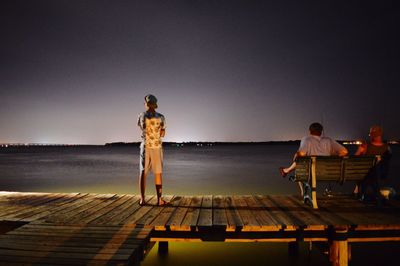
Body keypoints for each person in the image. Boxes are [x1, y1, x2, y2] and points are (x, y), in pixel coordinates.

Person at [279, 122, 348, 198]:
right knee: (301, 165)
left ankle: (302, 192)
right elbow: (344, 151)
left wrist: (297, 153)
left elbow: (301, 153)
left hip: (310, 173)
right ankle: (287, 170)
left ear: (310, 131)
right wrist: (334, 155)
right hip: (328, 173)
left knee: (299, 167)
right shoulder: (329, 140)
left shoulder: (307, 139)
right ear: (321, 131)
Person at [137, 94, 167, 206]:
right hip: (157, 146)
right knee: (158, 173)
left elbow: (140, 127)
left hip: (145, 145)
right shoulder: (161, 117)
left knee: (143, 172)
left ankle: (142, 199)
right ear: (154, 105)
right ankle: (159, 200)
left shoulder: (141, 115)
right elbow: (163, 133)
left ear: (147, 104)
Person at [353, 125, 392, 201]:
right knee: (374, 172)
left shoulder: (365, 146)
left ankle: (358, 190)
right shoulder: (387, 148)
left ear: (372, 136)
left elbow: (354, 158)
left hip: (365, 173)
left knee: (366, 171)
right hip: (381, 173)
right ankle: (374, 193)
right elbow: (388, 160)